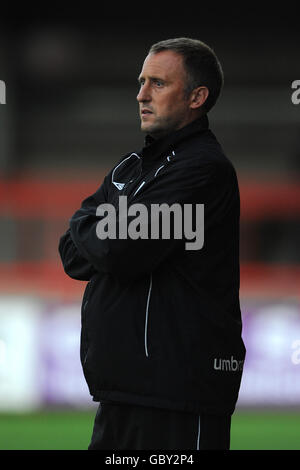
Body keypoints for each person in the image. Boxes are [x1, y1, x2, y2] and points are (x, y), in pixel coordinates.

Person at [58, 37, 246, 450]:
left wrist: (93, 223)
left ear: (198, 96)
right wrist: (95, 226)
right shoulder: (131, 167)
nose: (141, 95)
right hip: (123, 393)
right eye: (141, 82)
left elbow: (119, 251)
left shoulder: (204, 169)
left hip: (178, 394)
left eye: (158, 84)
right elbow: (71, 254)